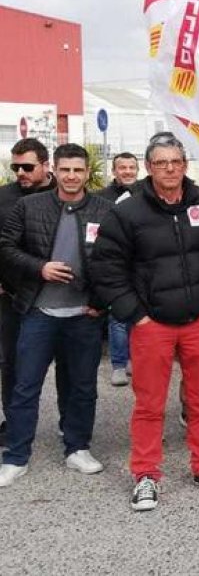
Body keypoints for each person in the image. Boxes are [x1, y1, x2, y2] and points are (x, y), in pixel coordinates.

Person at [90, 132, 199, 511]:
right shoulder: (127, 213)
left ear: (185, 165)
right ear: (149, 167)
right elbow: (107, 268)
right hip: (151, 324)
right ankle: (145, 474)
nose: (170, 169)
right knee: (149, 404)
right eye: (161, 163)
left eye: (175, 161)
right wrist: (135, 315)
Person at [0, 144, 114, 487]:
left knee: (82, 386)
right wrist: (40, 268)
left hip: (84, 314)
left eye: (78, 170)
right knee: (25, 385)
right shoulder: (29, 206)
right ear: (54, 169)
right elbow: (5, 247)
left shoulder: (105, 210)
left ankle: (77, 447)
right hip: (39, 312)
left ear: (87, 172)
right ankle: (16, 456)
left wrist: (101, 302)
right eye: (65, 169)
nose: (71, 176)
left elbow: (117, 260)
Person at [0, 138, 62, 448]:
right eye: (16, 167)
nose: (20, 173)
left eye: (27, 166)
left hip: (58, 296)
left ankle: (70, 426)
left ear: (45, 165)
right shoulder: (3, 197)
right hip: (11, 296)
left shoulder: (65, 193)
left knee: (67, 364)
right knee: (11, 363)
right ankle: (14, 425)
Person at [96, 152, 141, 386]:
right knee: (118, 317)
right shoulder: (101, 198)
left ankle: (135, 360)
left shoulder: (146, 194)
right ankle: (119, 365)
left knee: (139, 315)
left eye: (132, 167)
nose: (127, 171)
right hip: (115, 265)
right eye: (122, 167)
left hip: (141, 265)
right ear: (114, 171)